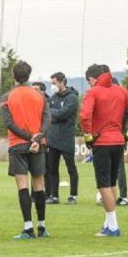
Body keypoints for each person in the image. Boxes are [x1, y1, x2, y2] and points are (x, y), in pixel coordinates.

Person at [80, 64, 128, 237]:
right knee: (112, 183)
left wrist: (88, 136)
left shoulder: (93, 92)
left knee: (103, 184)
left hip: (102, 142)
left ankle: (113, 226)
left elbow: (85, 115)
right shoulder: (121, 90)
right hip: (118, 141)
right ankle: (108, 224)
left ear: (92, 79)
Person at [2, 61, 52, 240]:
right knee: (39, 185)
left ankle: (28, 228)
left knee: (22, 186)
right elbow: (47, 119)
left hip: (18, 145)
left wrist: (28, 137)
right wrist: (37, 137)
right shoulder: (40, 95)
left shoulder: (7, 96)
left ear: (14, 76)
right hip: (38, 145)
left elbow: (9, 123)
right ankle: (42, 226)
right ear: (29, 75)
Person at [45, 72, 79, 205]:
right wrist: (53, 114)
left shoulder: (72, 98)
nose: (52, 86)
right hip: (52, 138)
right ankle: (54, 196)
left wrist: (52, 113)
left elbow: (63, 114)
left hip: (66, 138)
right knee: (52, 168)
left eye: (54, 83)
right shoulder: (52, 98)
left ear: (61, 82)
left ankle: (73, 195)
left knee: (71, 168)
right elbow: (48, 113)